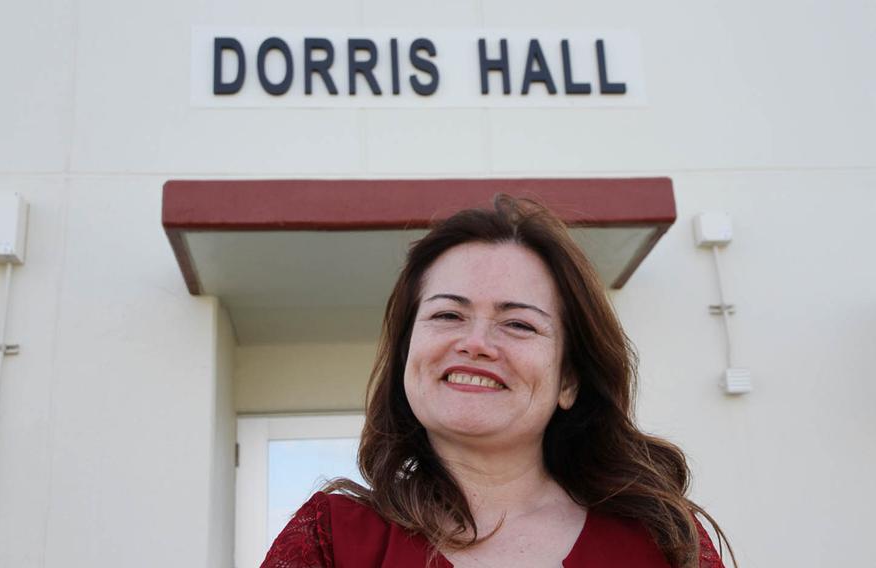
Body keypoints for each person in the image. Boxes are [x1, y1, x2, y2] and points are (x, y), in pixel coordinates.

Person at [261, 195, 733, 568]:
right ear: (408, 355)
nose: (476, 342)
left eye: (519, 324)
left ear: (569, 380)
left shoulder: (665, 543)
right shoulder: (331, 540)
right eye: (447, 314)